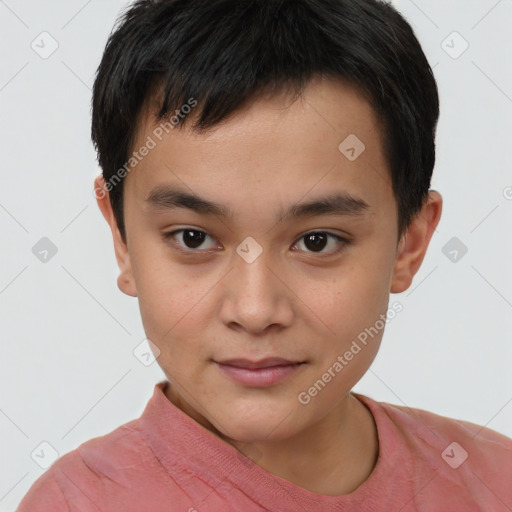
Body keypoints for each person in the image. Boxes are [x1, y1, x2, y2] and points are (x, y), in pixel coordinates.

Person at [17, 0, 512, 510]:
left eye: (317, 241)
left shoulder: (495, 481)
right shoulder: (76, 503)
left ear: (409, 242)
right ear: (122, 239)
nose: (255, 311)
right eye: (193, 238)